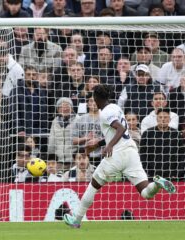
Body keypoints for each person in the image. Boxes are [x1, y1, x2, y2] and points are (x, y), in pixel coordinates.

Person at [63, 85, 176, 229]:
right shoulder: (116, 108)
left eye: (93, 99)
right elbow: (117, 131)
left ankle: (76, 220)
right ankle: (158, 184)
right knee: (146, 191)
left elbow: (120, 129)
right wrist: (99, 144)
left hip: (117, 154)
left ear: (97, 98)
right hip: (131, 152)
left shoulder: (104, 113)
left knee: (94, 184)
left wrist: (109, 146)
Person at [140, 108, 185, 181]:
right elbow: (142, 155)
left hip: (172, 175)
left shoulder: (176, 134)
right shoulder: (147, 134)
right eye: (160, 117)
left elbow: (181, 155)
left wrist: (177, 173)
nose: (163, 119)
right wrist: (148, 172)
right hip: (152, 176)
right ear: (157, 119)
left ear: (169, 119)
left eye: (165, 117)